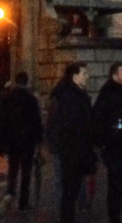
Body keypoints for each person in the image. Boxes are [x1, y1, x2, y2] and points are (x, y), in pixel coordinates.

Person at [51, 62, 95, 223]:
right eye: (84, 73)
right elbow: (75, 126)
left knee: (71, 190)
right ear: (75, 76)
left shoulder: (76, 95)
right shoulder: (71, 97)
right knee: (70, 191)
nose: (87, 76)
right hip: (73, 152)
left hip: (74, 151)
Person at [92, 62, 122, 223]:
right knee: (115, 184)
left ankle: (115, 214)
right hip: (113, 148)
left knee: (121, 184)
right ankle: (114, 217)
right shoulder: (107, 93)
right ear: (115, 75)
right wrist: (104, 142)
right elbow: (97, 119)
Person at [0, 72, 43, 212]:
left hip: (12, 142)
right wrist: (39, 141)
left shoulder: (8, 98)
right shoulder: (31, 99)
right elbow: (37, 122)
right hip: (27, 142)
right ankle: (23, 202)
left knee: (13, 169)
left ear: (15, 81)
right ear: (27, 81)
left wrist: (1, 143)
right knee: (26, 172)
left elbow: (2, 122)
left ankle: (10, 193)